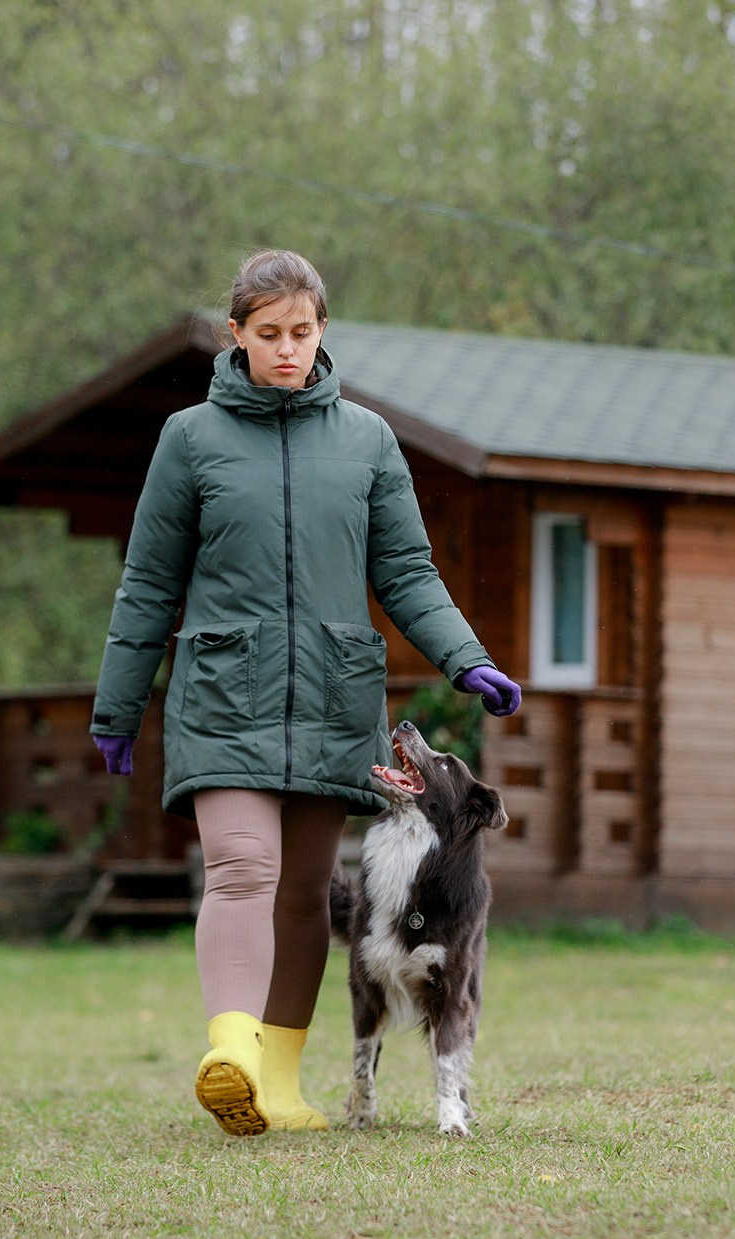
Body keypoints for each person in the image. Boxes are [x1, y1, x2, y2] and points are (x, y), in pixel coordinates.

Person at [89, 250, 522, 1136]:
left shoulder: (367, 441)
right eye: (268, 334)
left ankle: (277, 1083)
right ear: (236, 336)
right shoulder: (190, 438)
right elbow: (148, 582)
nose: (287, 350)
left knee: (307, 890)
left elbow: (406, 570)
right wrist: (118, 702)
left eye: (302, 332)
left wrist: (465, 657)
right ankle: (231, 1052)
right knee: (244, 867)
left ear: (323, 331)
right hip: (224, 690)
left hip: (334, 696)